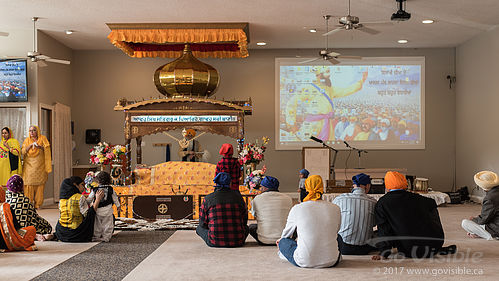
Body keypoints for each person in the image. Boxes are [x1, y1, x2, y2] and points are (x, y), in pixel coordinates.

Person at [372, 171, 455, 260]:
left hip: (408, 250)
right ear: (405, 184)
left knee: (381, 230)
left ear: (387, 186)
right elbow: (432, 203)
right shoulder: (421, 199)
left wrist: (384, 253)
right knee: (427, 211)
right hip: (433, 247)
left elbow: (384, 229)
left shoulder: (382, 203)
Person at [277, 175, 341, 268]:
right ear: (322, 188)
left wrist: (281, 241)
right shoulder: (335, 208)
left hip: (304, 261)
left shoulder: (298, 208)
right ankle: (331, 254)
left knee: (283, 242)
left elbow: (286, 234)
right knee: (339, 238)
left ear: (306, 188)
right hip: (332, 261)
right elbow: (336, 230)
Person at [196, 172, 249, 247]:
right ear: (230, 183)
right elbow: (244, 221)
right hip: (238, 241)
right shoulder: (238, 197)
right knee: (247, 228)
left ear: (216, 183)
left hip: (214, 241)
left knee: (199, 228)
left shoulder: (208, 198)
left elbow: (202, 223)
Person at [333, 173, 377, 255]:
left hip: (343, 247)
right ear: (367, 186)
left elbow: (333, 222)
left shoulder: (340, 199)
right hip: (364, 249)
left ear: (354, 185)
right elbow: (374, 224)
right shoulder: (373, 202)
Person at [54, 176, 105, 242]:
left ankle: (54, 235)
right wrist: (97, 200)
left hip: (61, 233)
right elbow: (88, 215)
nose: (83, 187)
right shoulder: (79, 197)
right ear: (75, 185)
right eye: (82, 185)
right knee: (94, 215)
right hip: (76, 234)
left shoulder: (61, 200)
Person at [4, 175, 53, 240]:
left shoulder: (6, 200)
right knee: (46, 226)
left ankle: (29, 234)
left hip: (10, 228)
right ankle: (34, 234)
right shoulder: (25, 200)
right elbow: (33, 216)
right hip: (23, 227)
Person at [249, 176, 292, 245]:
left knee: (251, 227)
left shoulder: (257, 199)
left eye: (261, 187)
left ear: (265, 188)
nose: (260, 189)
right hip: (283, 239)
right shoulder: (288, 198)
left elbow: (254, 214)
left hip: (264, 240)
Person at [461, 171, 499, 240]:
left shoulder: (490, 198)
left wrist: (474, 219)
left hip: (496, 229)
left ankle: (487, 236)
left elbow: (483, 220)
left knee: (465, 223)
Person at [21, 125, 52, 209]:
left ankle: (38, 204)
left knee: (40, 186)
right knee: (28, 185)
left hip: (40, 167)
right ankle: (29, 204)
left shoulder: (43, 139)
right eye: (30, 131)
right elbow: (23, 151)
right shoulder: (27, 140)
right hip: (29, 167)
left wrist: (40, 147)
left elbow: (47, 149)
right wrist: (30, 146)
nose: (32, 132)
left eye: (34, 130)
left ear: (37, 131)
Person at [87, 171, 120, 242]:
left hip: (98, 210)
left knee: (97, 224)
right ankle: (106, 237)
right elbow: (115, 198)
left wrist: (87, 203)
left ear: (97, 181)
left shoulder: (95, 189)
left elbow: (89, 199)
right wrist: (118, 206)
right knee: (108, 225)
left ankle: (96, 236)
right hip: (108, 210)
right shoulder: (111, 189)